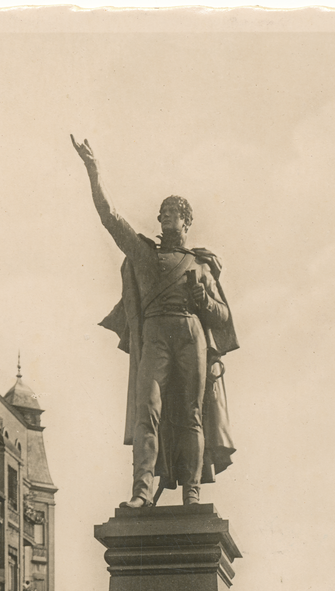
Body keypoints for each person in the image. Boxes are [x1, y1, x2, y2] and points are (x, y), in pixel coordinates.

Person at [71, 136, 238, 508]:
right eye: (162, 212)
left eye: (172, 213)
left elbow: (224, 318)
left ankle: (192, 490)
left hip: (190, 335)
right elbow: (110, 218)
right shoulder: (143, 255)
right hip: (155, 335)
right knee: (147, 411)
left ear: (187, 221)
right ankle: (141, 491)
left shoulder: (200, 265)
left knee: (192, 415)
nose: (164, 217)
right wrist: (94, 172)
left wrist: (203, 300)